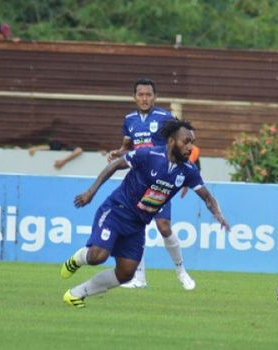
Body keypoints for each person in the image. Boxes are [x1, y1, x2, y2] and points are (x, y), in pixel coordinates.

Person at [60, 120, 229, 308]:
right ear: (172, 141)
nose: (191, 147)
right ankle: (77, 259)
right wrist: (90, 192)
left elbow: (207, 197)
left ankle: (76, 294)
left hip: (137, 224)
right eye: (186, 141)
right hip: (117, 210)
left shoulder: (188, 171)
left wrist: (218, 214)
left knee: (126, 273)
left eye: (193, 142)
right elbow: (115, 165)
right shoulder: (148, 154)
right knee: (97, 257)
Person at [106, 77, 195, 290]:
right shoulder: (129, 120)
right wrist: (118, 152)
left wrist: (186, 174)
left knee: (163, 227)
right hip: (137, 182)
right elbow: (129, 145)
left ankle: (181, 270)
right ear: (134, 97)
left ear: (155, 97)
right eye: (140, 95)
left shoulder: (165, 117)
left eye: (148, 95)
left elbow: (185, 142)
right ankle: (139, 278)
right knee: (135, 226)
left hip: (162, 180)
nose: (145, 98)